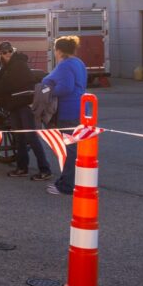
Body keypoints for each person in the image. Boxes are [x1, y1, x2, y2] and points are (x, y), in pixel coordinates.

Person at [0, 42, 52, 181]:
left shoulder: (18, 64)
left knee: (31, 136)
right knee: (19, 137)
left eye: (9, 51)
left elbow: (5, 84)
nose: (7, 54)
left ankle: (45, 169)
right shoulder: (7, 67)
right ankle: (22, 168)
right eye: (4, 52)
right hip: (15, 105)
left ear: (13, 51)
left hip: (24, 104)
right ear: (0, 54)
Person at [45, 36, 88, 196]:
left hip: (68, 110)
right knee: (75, 149)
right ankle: (68, 181)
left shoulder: (65, 65)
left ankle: (67, 185)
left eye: (55, 50)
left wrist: (48, 92)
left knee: (70, 150)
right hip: (81, 108)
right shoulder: (79, 62)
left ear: (60, 51)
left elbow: (65, 88)